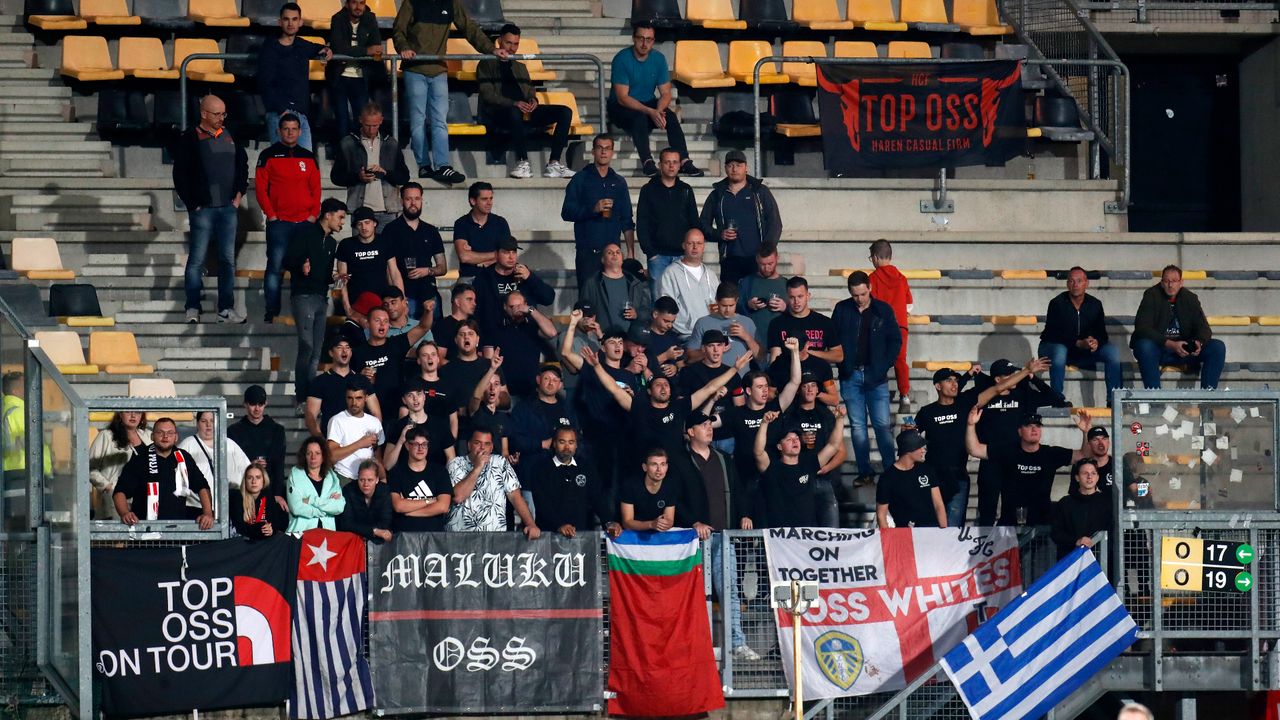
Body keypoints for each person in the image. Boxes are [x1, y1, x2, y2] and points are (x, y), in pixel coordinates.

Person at [668, 412, 758, 661]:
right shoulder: (678, 461)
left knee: (729, 589)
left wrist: (745, 514)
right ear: (690, 432)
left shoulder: (723, 458)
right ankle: (693, 644)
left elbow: (739, 491)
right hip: (691, 541)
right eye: (703, 425)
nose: (709, 429)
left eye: (710, 425)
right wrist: (692, 522)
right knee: (691, 593)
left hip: (723, 536)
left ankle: (737, 643)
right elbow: (674, 498)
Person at [394, 0, 504, 184]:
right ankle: (424, 166)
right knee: (418, 121)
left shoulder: (451, 3)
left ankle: (443, 166)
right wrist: (403, 47)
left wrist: (491, 48)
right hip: (414, 69)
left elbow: (470, 28)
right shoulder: (412, 2)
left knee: (439, 121)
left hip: (438, 70)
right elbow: (399, 29)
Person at [912, 365, 1031, 528]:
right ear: (938, 386)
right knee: (929, 526)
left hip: (958, 476)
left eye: (956, 380)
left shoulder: (965, 402)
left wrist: (1026, 371)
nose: (954, 384)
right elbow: (910, 438)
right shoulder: (927, 412)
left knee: (953, 528)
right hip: (933, 476)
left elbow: (998, 387)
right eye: (948, 381)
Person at [173, 94, 248, 325]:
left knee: (227, 260)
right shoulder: (189, 138)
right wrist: (193, 203)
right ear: (204, 113)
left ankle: (225, 309)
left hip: (227, 208)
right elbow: (180, 175)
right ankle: (192, 307)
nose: (221, 118)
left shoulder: (230, 134)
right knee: (197, 260)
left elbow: (242, 165)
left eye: (223, 113)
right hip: (203, 209)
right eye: (217, 114)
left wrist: (239, 193)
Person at [476, 23, 576, 179]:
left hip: (524, 110)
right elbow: (487, 94)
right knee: (515, 111)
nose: (512, 48)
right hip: (500, 112)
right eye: (508, 43)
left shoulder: (520, 66)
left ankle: (554, 163)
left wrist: (533, 100)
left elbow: (529, 89)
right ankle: (522, 162)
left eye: (516, 44)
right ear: (500, 41)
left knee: (565, 111)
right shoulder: (486, 63)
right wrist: (513, 103)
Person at [966, 408, 1092, 527]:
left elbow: (1083, 455)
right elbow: (975, 449)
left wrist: (1086, 433)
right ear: (1020, 431)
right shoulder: (1008, 451)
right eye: (1028, 425)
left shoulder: (1050, 453)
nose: (1034, 429)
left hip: (1042, 524)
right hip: (1010, 524)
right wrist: (971, 425)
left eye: (1037, 426)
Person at [831, 271, 900, 485]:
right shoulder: (842, 309)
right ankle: (865, 472)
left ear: (869, 288)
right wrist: (843, 365)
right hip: (850, 375)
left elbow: (895, 341)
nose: (859, 299)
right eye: (855, 295)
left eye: (862, 294)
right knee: (858, 427)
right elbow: (833, 338)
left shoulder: (883, 310)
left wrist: (882, 367)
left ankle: (891, 471)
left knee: (881, 425)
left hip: (876, 376)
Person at [608, 22, 701, 178]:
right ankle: (647, 162)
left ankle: (684, 161)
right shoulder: (621, 59)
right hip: (621, 106)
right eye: (641, 39)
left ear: (653, 40)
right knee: (639, 118)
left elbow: (666, 93)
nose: (645, 44)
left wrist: (658, 111)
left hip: (648, 103)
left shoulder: (658, 59)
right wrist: (649, 111)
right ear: (633, 38)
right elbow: (623, 97)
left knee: (669, 116)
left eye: (649, 39)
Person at [256, 113, 321, 323]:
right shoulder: (267, 155)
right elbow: (260, 189)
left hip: (305, 223)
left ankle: (301, 312)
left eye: (294, 129)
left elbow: (316, 188)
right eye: (286, 129)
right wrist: (272, 215)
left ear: (300, 132)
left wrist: (313, 215)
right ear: (278, 131)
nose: (290, 133)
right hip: (280, 224)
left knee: (303, 269)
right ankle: (271, 311)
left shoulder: (309, 156)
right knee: (275, 268)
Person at [285, 197, 347, 413]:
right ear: (327, 214)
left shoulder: (332, 243)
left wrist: (336, 277)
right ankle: (301, 394)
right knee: (307, 346)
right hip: (303, 296)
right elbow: (287, 259)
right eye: (340, 217)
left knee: (316, 350)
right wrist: (300, 264)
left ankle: (309, 397)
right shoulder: (305, 233)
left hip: (321, 298)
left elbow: (324, 275)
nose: (342, 223)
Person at [1131, 264, 1226, 390]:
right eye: (1166, 281)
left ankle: (1207, 398)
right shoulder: (1151, 295)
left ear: (1181, 282)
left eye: (1174, 281)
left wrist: (1198, 342)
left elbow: (1204, 328)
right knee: (1144, 346)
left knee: (1217, 347)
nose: (1170, 285)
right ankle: (1155, 399)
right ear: (1161, 283)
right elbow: (1142, 328)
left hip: (1184, 350)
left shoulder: (1190, 298)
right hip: (1160, 348)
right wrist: (1170, 344)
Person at [1038, 266, 1123, 405]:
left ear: (1086, 283)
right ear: (1067, 284)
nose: (1075, 284)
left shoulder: (1095, 304)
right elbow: (1053, 334)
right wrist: (1077, 343)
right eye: (1071, 281)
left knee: (1112, 351)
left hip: (1083, 351)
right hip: (1054, 348)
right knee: (1060, 350)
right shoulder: (1057, 303)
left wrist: (1096, 342)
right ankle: (1056, 398)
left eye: (1079, 281)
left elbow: (1102, 333)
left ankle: (1114, 400)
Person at [561, 134, 635, 290]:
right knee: (588, 303)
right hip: (588, 252)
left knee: (613, 300)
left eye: (607, 148)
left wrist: (630, 252)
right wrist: (592, 209)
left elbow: (627, 219)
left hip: (613, 253)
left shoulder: (619, 181)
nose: (603, 152)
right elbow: (566, 212)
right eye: (600, 148)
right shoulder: (580, 179)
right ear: (593, 151)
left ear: (612, 152)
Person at [699, 150, 782, 284]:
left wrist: (767, 252)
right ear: (725, 168)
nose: (734, 169)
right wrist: (719, 234)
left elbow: (775, 223)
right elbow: (703, 224)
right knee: (731, 301)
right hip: (730, 259)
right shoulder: (717, 195)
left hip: (757, 260)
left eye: (739, 165)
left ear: (746, 167)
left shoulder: (760, 192)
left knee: (758, 301)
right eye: (731, 165)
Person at [112, 418, 213, 528]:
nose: (165, 436)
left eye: (170, 433)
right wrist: (125, 513)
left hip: (178, 531)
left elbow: (202, 486)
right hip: (145, 532)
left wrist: (208, 514)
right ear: (152, 436)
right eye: (160, 432)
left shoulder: (184, 458)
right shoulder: (139, 459)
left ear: (176, 437)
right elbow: (120, 492)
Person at [257, 2, 331, 150]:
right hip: (280, 115)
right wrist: (281, 109)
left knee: (305, 163)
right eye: (286, 19)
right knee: (283, 164)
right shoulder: (269, 48)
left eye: (294, 19)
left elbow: (316, 47)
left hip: (301, 116)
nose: (290, 23)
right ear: (280, 22)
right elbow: (265, 83)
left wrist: (326, 49)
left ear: (300, 22)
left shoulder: (301, 45)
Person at [446, 426, 539, 535]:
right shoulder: (455, 464)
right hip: (459, 536)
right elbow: (458, 497)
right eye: (477, 443)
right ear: (469, 445)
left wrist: (531, 524)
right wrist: (478, 468)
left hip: (494, 537)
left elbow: (515, 497)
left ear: (491, 448)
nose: (482, 448)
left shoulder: (500, 462)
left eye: (487, 444)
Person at [331, 103, 410, 229]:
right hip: (360, 211)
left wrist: (386, 173)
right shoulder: (348, 143)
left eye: (375, 125)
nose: (371, 130)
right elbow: (336, 177)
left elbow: (404, 177)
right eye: (367, 125)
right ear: (360, 120)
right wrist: (358, 177)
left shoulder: (391, 143)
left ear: (381, 121)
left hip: (388, 211)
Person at [529, 427, 618, 537]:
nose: (567, 447)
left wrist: (609, 522)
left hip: (581, 536)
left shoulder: (586, 468)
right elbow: (542, 504)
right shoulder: (542, 469)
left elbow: (598, 498)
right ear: (554, 444)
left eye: (571, 442)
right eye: (562, 442)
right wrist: (559, 525)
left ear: (576, 445)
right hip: (549, 535)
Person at [636, 147, 700, 292]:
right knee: (659, 302)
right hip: (658, 256)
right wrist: (651, 253)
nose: (671, 166)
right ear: (660, 165)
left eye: (675, 162)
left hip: (682, 256)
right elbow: (642, 223)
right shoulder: (648, 190)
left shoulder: (686, 190)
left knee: (684, 300)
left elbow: (694, 222)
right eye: (667, 162)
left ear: (679, 165)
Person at [352, 302, 435, 411]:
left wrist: (428, 311)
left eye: (386, 321)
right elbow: (349, 383)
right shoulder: (357, 352)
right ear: (368, 323)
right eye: (377, 321)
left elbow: (423, 327)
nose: (382, 324)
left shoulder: (396, 343)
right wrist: (360, 376)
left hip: (396, 408)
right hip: (369, 411)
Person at [383, 182, 447, 320]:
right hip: (405, 296)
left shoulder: (431, 231)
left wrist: (427, 271)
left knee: (435, 336)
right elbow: (389, 269)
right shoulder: (391, 230)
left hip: (429, 293)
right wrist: (399, 299)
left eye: (417, 199)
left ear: (422, 200)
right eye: (408, 199)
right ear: (401, 201)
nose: (413, 203)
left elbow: (443, 268)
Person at [471, 236, 555, 337]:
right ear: (496, 254)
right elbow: (477, 313)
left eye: (514, 252)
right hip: (495, 336)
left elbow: (548, 299)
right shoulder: (484, 278)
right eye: (506, 252)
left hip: (526, 335)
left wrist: (530, 277)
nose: (511, 257)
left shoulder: (524, 274)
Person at [508, 363, 578, 481]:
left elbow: (578, 439)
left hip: (562, 477)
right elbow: (513, 439)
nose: (551, 383)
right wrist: (542, 444)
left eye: (555, 380)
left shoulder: (568, 411)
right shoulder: (523, 409)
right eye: (547, 378)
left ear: (560, 385)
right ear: (538, 380)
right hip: (532, 476)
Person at [326, 0, 385, 141]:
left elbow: (376, 47)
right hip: (339, 76)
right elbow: (338, 48)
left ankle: (360, 156)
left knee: (362, 121)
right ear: (347, 4)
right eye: (354, 2)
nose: (358, 7)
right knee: (342, 121)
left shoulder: (370, 18)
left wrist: (362, 51)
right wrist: (366, 50)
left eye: (361, 3)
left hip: (361, 77)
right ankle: (343, 157)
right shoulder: (338, 19)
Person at [867, 240, 914, 411]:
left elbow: (871, 304)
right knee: (900, 360)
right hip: (900, 325)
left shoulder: (872, 278)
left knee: (878, 359)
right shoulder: (902, 278)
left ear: (876, 257)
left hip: (881, 327)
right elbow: (909, 304)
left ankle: (877, 394)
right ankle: (905, 396)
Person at [305, 334, 381, 436]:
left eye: (348, 347)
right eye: (339, 347)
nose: (344, 351)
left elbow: (376, 412)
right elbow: (311, 416)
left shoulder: (362, 380)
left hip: (360, 438)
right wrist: (321, 441)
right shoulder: (319, 382)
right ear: (331, 353)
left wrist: (374, 435)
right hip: (332, 440)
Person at [228, 385, 288, 509]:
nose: (257, 408)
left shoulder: (277, 431)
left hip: (270, 491)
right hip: (243, 491)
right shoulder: (233, 432)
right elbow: (230, 465)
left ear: (265, 403)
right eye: (253, 404)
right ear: (245, 404)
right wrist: (249, 464)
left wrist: (277, 493)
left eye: (260, 404)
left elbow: (279, 465)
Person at [491, 292, 558, 398]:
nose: (517, 310)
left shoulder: (532, 325)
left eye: (520, 306)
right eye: (512, 307)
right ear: (505, 307)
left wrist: (530, 310)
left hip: (530, 389)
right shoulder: (496, 327)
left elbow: (552, 333)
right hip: (505, 390)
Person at [875, 429, 947, 529]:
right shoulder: (888, 478)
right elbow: (881, 515)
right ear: (909, 450)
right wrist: (888, 539)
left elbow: (938, 504)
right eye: (919, 447)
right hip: (905, 534)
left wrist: (944, 531)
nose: (923, 450)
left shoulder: (926, 470)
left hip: (932, 531)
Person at [388, 427, 453, 532]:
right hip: (405, 536)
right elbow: (399, 506)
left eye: (424, 444)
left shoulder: (440, 472)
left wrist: (410, 511)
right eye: (416, 444)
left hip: (434, 537)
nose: (421, 448)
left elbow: (443, 506)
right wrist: (430, 500)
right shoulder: (396, 473)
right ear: (407, 445)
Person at [383, 377, 456, 470]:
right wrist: (401, 441)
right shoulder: (398, 426)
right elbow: (387, 465)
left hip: (436, 479)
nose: (415, 399)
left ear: (424, 397)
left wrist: (443, 479)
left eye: (419, 394)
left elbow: (451, 458)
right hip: (407, 480)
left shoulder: (440, 425)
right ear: (404, 400)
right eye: (410, 395)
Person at [579, 242, 652, 335]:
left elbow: (646, 311)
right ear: (602, 259)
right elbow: (583, 310)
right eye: (610, 252)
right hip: (602, 337)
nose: (615, 254)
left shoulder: (635, 282)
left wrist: (636, 314)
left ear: (622, 259)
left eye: (618, 252)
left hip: (629, 339)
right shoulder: (592, 283)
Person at [657, 229, 719, 336]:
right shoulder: (671, 273)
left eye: (699, 243)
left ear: (704, 246)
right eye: (691, 243)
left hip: (711, 334)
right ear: (684, 245)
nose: (695, 247)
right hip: (685, 335)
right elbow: (666, 308)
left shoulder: (711, 275)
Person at [768, 276, 842, 366]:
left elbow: (839, 355)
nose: (796, 301)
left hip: (817, 375)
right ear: (787, 298)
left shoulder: (824, 322)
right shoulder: (777, 324)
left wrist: (808, 353)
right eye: (792, 297)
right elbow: (774, 358)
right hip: (787, 375)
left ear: (808, 296)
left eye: (800, 296)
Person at [687, 281, 760, 371]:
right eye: (724, 305)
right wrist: (713, 351)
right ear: (717, 300)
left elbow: (760, 357)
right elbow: (690, 357)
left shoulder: (747, 322)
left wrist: (747, 337)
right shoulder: (703, 323)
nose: (727, 310)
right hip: (712, 381)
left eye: (731, 305)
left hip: (740, 381)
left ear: (737, 301)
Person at [89, 411, 146, 520]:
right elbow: (89, 467)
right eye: (128, 412)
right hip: (115, 497)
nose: (133, 416)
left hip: (143, 499)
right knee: (118, 535)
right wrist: (106, 486)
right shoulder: (106, 436)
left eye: (138, 412)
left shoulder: (147, 435)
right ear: (120, 414)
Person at [334, 206, 390, 316]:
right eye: (359, 224)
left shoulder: (384, 242)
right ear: (356, 227)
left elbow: (393, 273)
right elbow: (341, 279)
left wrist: (399, 301)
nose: (364, 227)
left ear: (374, 223)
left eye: (367, 222)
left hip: (382, 303)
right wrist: (347, 308)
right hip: (356, 305)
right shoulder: (346, 244)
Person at [1050, 458, 1110, 559]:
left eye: (1093, 473)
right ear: (1077, 477)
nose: (1089, 476)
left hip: (1100, 561)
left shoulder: (1107, 503)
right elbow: (1056, 533)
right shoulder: (1065, 503)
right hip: (1071, 560)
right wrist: (1076, 541)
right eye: (1085, 473)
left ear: (1098, 477)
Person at [326, 383, 385, 483]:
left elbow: (378, 456)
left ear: (366, 398)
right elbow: (331, 455)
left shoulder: (374, 422)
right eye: (350, 398)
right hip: (344, 477)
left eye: (358, 398)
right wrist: (360, 444)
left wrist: (382, 479)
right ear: (345, 398)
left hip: (368, 479)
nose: (354, 403)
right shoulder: (337, 420)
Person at [179, 411, 251, 491]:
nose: (208, 425)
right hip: (196, 503)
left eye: (212, 421)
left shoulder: (229, 444)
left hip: (229, 501)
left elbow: (248, 470)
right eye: (204, 421)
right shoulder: (187, 445)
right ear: (197, 423)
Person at [286, 436, 346, 532]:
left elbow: (339, 507)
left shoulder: (331, 476)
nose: (313, 457)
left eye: (317, 453)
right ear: (304, 456)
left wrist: (311, 500)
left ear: (323, 456)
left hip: (327, 535)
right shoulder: (296, 474)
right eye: (309, 453)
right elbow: (296, 507)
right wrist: (325, 509)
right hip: (301, 534)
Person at [453, 183, 511, 281]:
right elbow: (464, 257)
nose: (489, 203)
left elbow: (507, 256)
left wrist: (476, 259)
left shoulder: (500, 222)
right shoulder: (461, 223)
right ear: (473, 201)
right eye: (484, 199)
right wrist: (496, 254)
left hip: (495, 277)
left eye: (491, 198)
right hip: (470, 277)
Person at [737, 244, 787, 354]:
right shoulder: (746, 283)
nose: (766, 268)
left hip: (780, 346)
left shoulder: (786, 284)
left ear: (777, 258)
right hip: (752, 345)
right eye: (762, 264)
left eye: (770, 263)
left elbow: (799, 313)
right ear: (757, 260)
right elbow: (734, 310)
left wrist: (785, 307)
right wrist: (748, 305)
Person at [620, 447, 678, 531]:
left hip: (659, 537)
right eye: (654, 464)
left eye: (663, 464)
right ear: (645, 467)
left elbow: (669, 520)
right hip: (634, 537)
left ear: (667, 467)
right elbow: (627, 523)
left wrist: (665, 523)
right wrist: (651, 524)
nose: (659, 469)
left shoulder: (670, 486)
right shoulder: (630, 485)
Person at [339, 459, 394, 542]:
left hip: (378, 539)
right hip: (354, 538)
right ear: (357, 478)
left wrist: (370, 531)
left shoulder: (384, 491)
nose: (365, 484)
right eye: (362, 480)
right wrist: (374, 531)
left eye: (370, 480)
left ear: (377, 480)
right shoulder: (349, 490)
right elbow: (347, 523)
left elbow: (386, 522)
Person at [229, 465, 287, 539]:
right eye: (250, 478)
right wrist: (260, 529)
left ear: (263, 480)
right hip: (244, 543)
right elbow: (241, 528)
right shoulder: (237, 497)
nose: (254, 481)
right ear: (245, 481)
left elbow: (275, 523)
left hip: (265, 543)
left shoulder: (268, 497)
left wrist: (271, 529)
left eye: (258, 477)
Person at [435, 282, 478, 359]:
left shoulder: (476, 324)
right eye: (469, 299)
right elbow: (439, 359)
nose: (474, 304)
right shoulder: (442, 326)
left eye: (474, 300)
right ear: (457, 302)